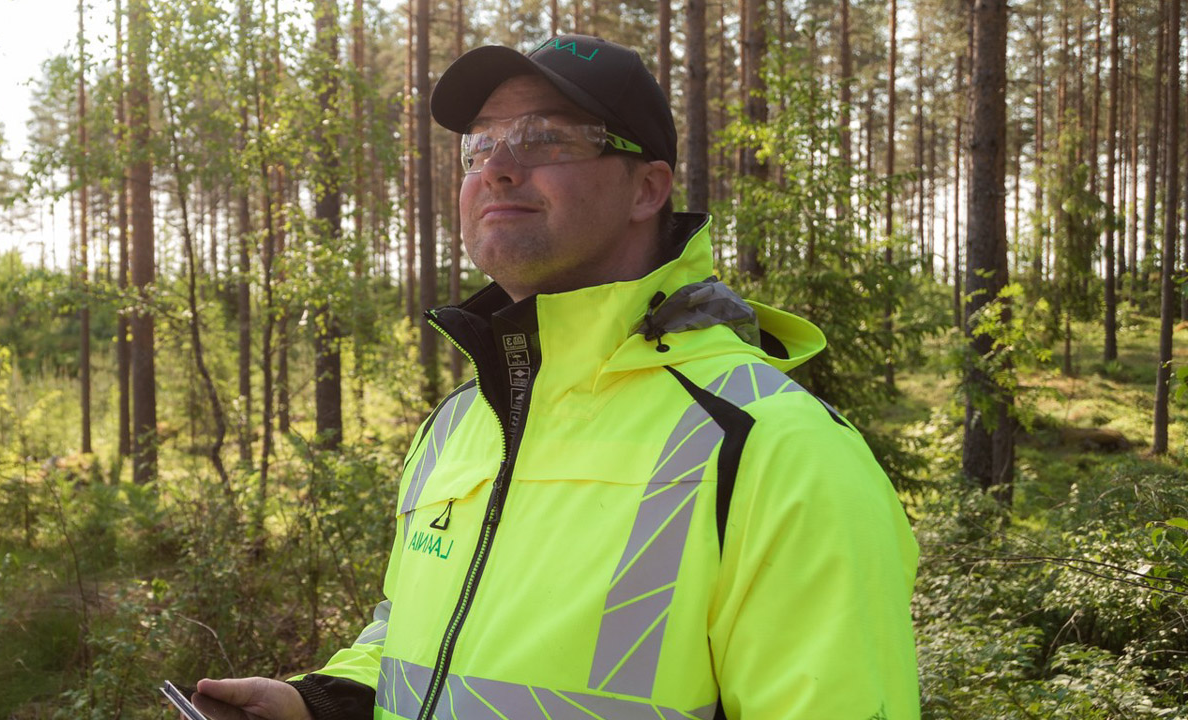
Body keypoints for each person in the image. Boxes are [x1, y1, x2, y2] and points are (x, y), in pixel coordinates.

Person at [190, 34, 920, 720]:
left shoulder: (778, 450)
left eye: (545, 139)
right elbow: (425, 637)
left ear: (647, 189)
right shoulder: (460, 422)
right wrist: (321, 704)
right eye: (482, 145)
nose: (499, 166)